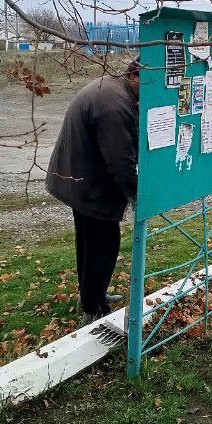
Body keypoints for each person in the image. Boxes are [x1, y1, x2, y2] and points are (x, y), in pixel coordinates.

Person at [46, 59, 140, 323]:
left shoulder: (115, 90)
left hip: (80, 178)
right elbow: (120, 160)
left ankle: (91, 294)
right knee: (104, 245)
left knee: (89, 242)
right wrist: (136, 194)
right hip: (89, 184)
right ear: (134, 75)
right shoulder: (114, 103)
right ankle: (93, 309)